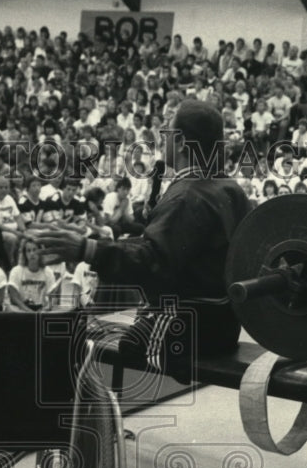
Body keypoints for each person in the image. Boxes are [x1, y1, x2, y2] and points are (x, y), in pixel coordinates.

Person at [35, 99, 252, 377]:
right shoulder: (229, 187)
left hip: (188, 330)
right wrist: (98, 245)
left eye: (168, 131)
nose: (163, 138)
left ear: (183, 142)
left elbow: (153, 261)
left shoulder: (187, 194)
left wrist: (88, 250)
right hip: (224, 324)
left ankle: (94, 418)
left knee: (85, 342)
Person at [7, 235, 56, 311]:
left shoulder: (48, 271)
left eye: (34, 250)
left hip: (41, 309)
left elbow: (53, 297)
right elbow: (14, 298)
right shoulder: (16, 271)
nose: (32, 253)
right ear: (25, 254)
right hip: (22, 309)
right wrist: (28, 311)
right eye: (28, 251)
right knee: (10, 308)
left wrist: (45, 309)